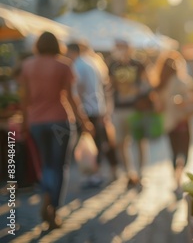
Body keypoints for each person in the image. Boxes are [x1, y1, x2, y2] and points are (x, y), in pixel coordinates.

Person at [20, 31, 94, 229]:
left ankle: (46, 197)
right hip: (59, 121)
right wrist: (84, 120)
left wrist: (24, 123)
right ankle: (53, 206)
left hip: (36, 122)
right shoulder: (64, 65)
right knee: (60, 165)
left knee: (45, 165)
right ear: (56, 46)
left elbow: (24, 99)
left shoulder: (27, 65)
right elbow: (71, 97)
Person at [66, 43, 118, 187]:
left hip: (86, 109)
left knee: (92, 142)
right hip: (97, 107)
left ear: (72, 52)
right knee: (99, 141)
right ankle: (103, 171)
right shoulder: (92, 63)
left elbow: (76, 89)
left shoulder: (78, 65)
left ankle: (93, 174)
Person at [108, 39, 149, 186]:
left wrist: (135, 90)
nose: (119, 51)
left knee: (139, 141)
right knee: (120, 142)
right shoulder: (113, 65)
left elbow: (146, 84)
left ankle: (140, 172)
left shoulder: (138, 64)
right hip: (119, 109)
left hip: (135, 109)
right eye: (117, 48)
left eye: (122, 48)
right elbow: (109, 85)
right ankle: (128, 174)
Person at [154, 50, 193, 187]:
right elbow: (192, 99)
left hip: (169, 123)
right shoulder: (180, 81)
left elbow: (158, 108)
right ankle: (179, 175)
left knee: (174, 150)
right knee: (183, 151)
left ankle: (176, 176)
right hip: (182, 122)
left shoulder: (161, 85)